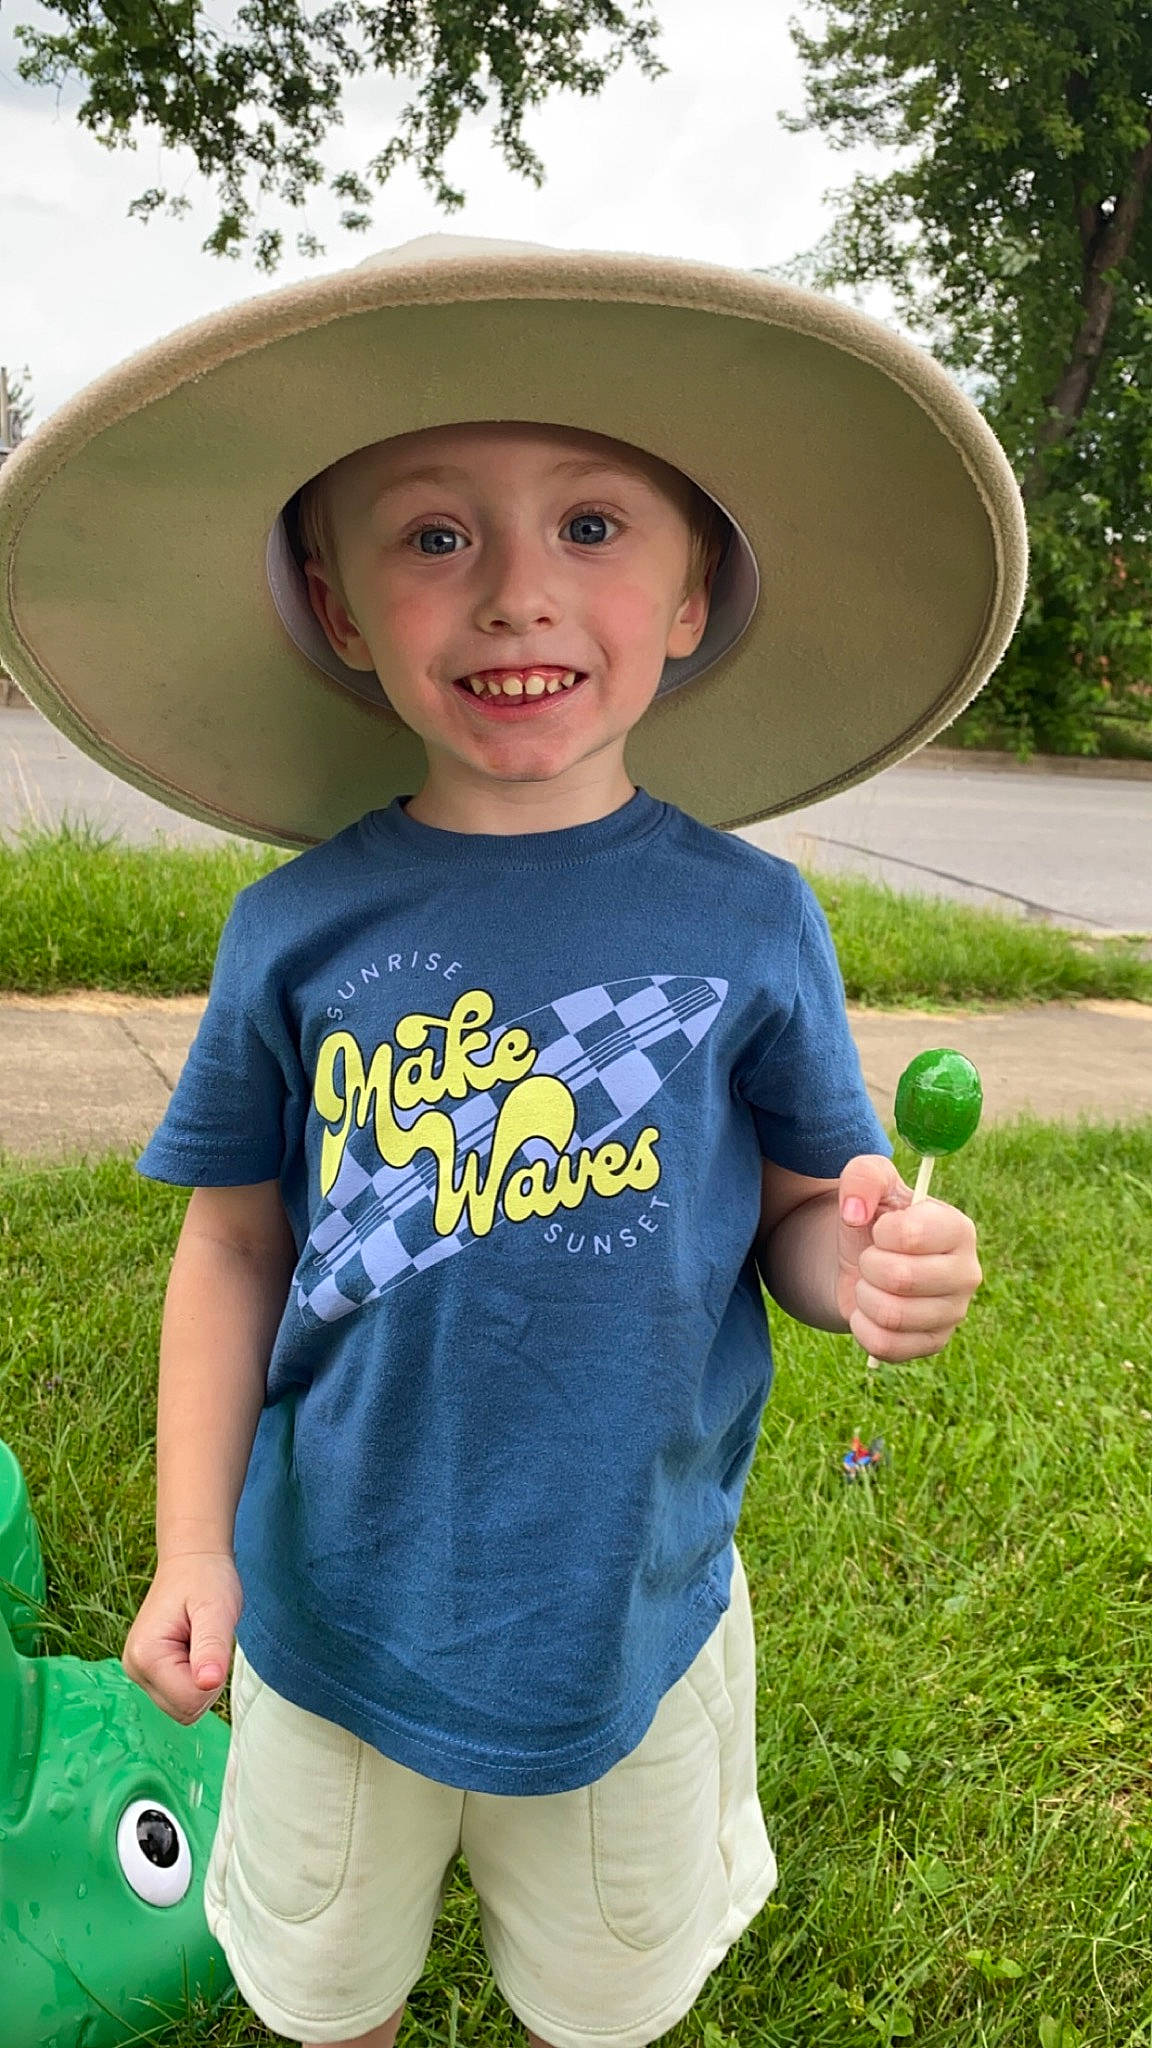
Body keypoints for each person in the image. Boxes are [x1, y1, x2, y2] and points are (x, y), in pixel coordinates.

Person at [0, 235, 1026, 2048]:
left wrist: (855, 1253)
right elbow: (235, 1248)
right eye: (434, 534)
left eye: (596, 528)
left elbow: (792, 1213)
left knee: (605, 1996)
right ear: (334, 605)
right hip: (328, 1613)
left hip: (631, 1615)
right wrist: (191, 1545)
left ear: (698, 594)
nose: (515, 597)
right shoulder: (294, 933)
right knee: (326, 1987)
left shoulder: (751, 920)